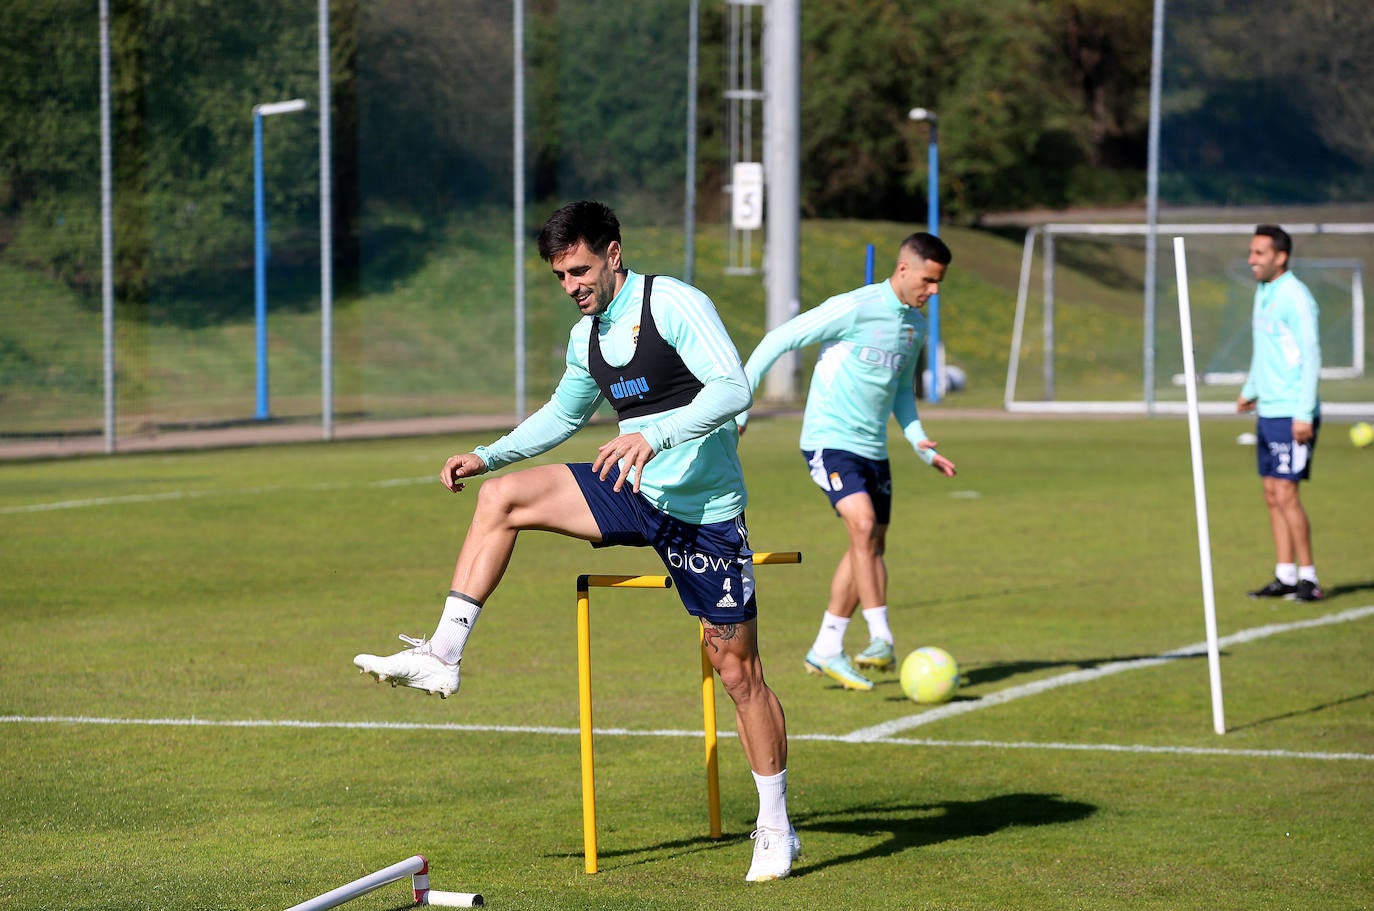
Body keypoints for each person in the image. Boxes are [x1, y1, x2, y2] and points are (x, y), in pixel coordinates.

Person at [353, 200, 800, 881]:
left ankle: (775, 825)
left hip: (703, 508)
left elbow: (733, 387)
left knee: (738, 673)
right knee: (502, 499)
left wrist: (653, 433)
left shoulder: (672, 302)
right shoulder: (586, 335)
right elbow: (564, 413)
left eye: (581, 269)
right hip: (631, 487)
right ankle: (444, 653)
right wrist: (488, 455)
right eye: (560, 276)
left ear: (615, 253)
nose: (572, 286)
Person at [736, 232, 957, 692]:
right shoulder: (855, 306)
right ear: (904, 269)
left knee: (869, 545)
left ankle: (827, 647)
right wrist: (742, 404)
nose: (933, 291)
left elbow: (901, 394)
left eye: (939, 284)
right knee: (861, 527)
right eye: (929, 280)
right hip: (829, 439)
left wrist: (920, 443)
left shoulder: (914, 329)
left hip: (875, 450)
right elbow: (780, 338)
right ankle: (881, 637)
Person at [1237, 224, 1323, 602]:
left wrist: (1304, 412)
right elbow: (1264, 349)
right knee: (1271, 492)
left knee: (1287, 493)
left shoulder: (1296, 297)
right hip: (1269, 409)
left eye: (1259, 253)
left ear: (1280, 257)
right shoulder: (1263, 292)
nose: (1251, 260)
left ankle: (1309, 578)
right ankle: (1284, 574)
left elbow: (1311, 355)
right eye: (1251, 252)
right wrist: (1250, 389)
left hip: (1293, 411)